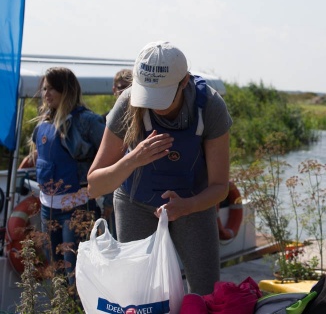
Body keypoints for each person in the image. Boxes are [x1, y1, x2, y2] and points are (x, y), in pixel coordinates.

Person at [87, 41, 233, 295]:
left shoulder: (210, 106)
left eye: (163, 95)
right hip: (135, 202)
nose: (154, 105)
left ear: (184, 81)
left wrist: (189, 205)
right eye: (148, 94)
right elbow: (94, 185)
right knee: (137, 292)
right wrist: (133, 159)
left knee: (207, 290)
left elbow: (220, 187)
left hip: (193, 204)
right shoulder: (128, 103)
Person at [24, 67, 105, 285]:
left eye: (51, 88)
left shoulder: (87, 121)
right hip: (49, 210)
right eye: (44, 89)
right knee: (58, 277)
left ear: (65, 90)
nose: (46, 94)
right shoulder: (43, 124)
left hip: (77, 209)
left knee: (76, 276)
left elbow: (110, 156)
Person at [100, 68, 133, 239]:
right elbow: (105, 162)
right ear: (114, 90)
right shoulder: (106, 119)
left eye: (129, 87)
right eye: (121, 87)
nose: (124, 91)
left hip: (133, 191)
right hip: (112, 188)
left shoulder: (141, 118)